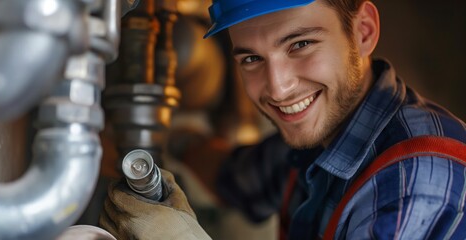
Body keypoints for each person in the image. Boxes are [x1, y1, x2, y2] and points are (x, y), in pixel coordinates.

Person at [100, 0, 466, 239]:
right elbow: (234, 177)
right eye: (251, 59)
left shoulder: (418, 181)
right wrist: (165, 145)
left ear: (363, 31)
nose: (278, 89)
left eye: (300, 44)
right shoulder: (323, 138)